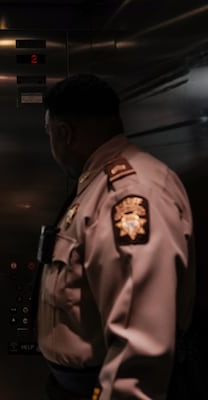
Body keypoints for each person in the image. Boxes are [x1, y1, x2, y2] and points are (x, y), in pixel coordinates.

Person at [37, 73, 195, 400]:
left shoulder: (129, 194)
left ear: (64, 134)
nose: (51, 145)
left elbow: (140, 343)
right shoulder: (97, 184)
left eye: (49, 133)